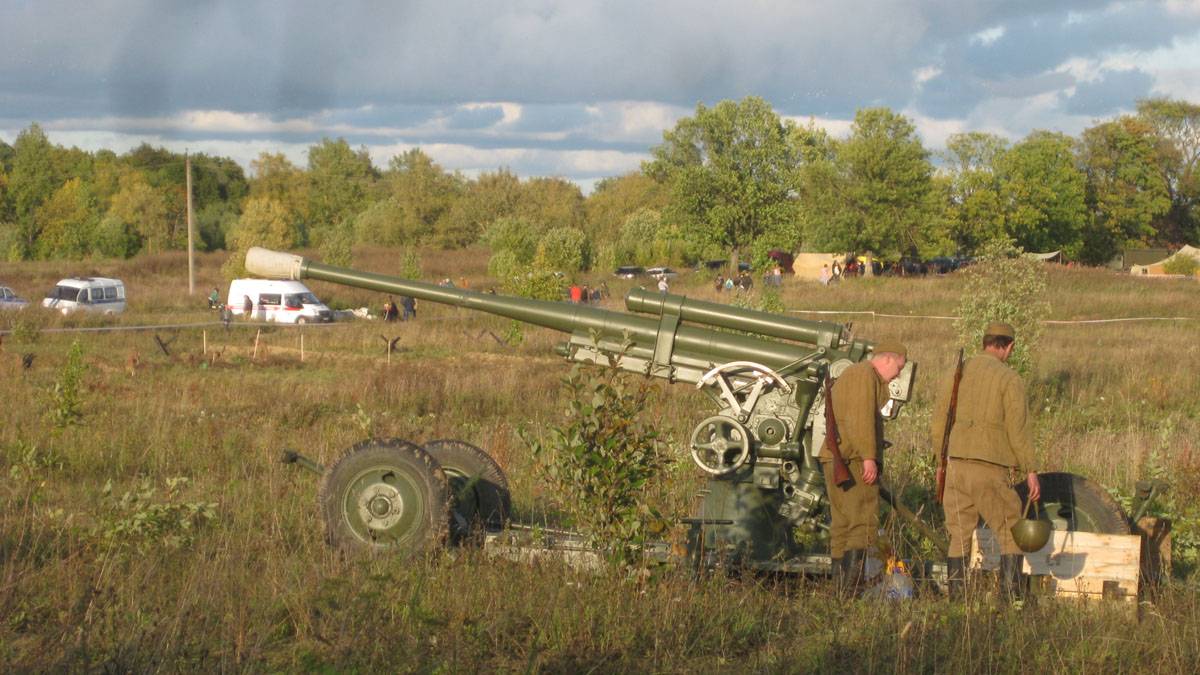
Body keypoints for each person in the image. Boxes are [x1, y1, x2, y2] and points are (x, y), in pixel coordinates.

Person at [931, 322, 1041, 602]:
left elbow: (939, 421)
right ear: (1009, 346)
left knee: (958, 534)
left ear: (985, 342)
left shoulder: (957, 373)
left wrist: (940, 463)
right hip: (989, 467)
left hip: (954, 464)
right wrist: (1030, 469)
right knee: (1011, 530)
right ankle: (1009, 603)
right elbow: (1018, 429)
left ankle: (957, 603)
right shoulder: (1009, 379)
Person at [820, 342, 908, 595]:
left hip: (839, 458)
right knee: (863, 524)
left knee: (842, 525)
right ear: (889, 359)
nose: (898, 375)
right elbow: (861, 419)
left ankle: (840, 592)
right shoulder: (865, 375)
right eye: (898, 368)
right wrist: (869, 456)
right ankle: (850, 593)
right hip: (854, 461)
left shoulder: (854, 374)